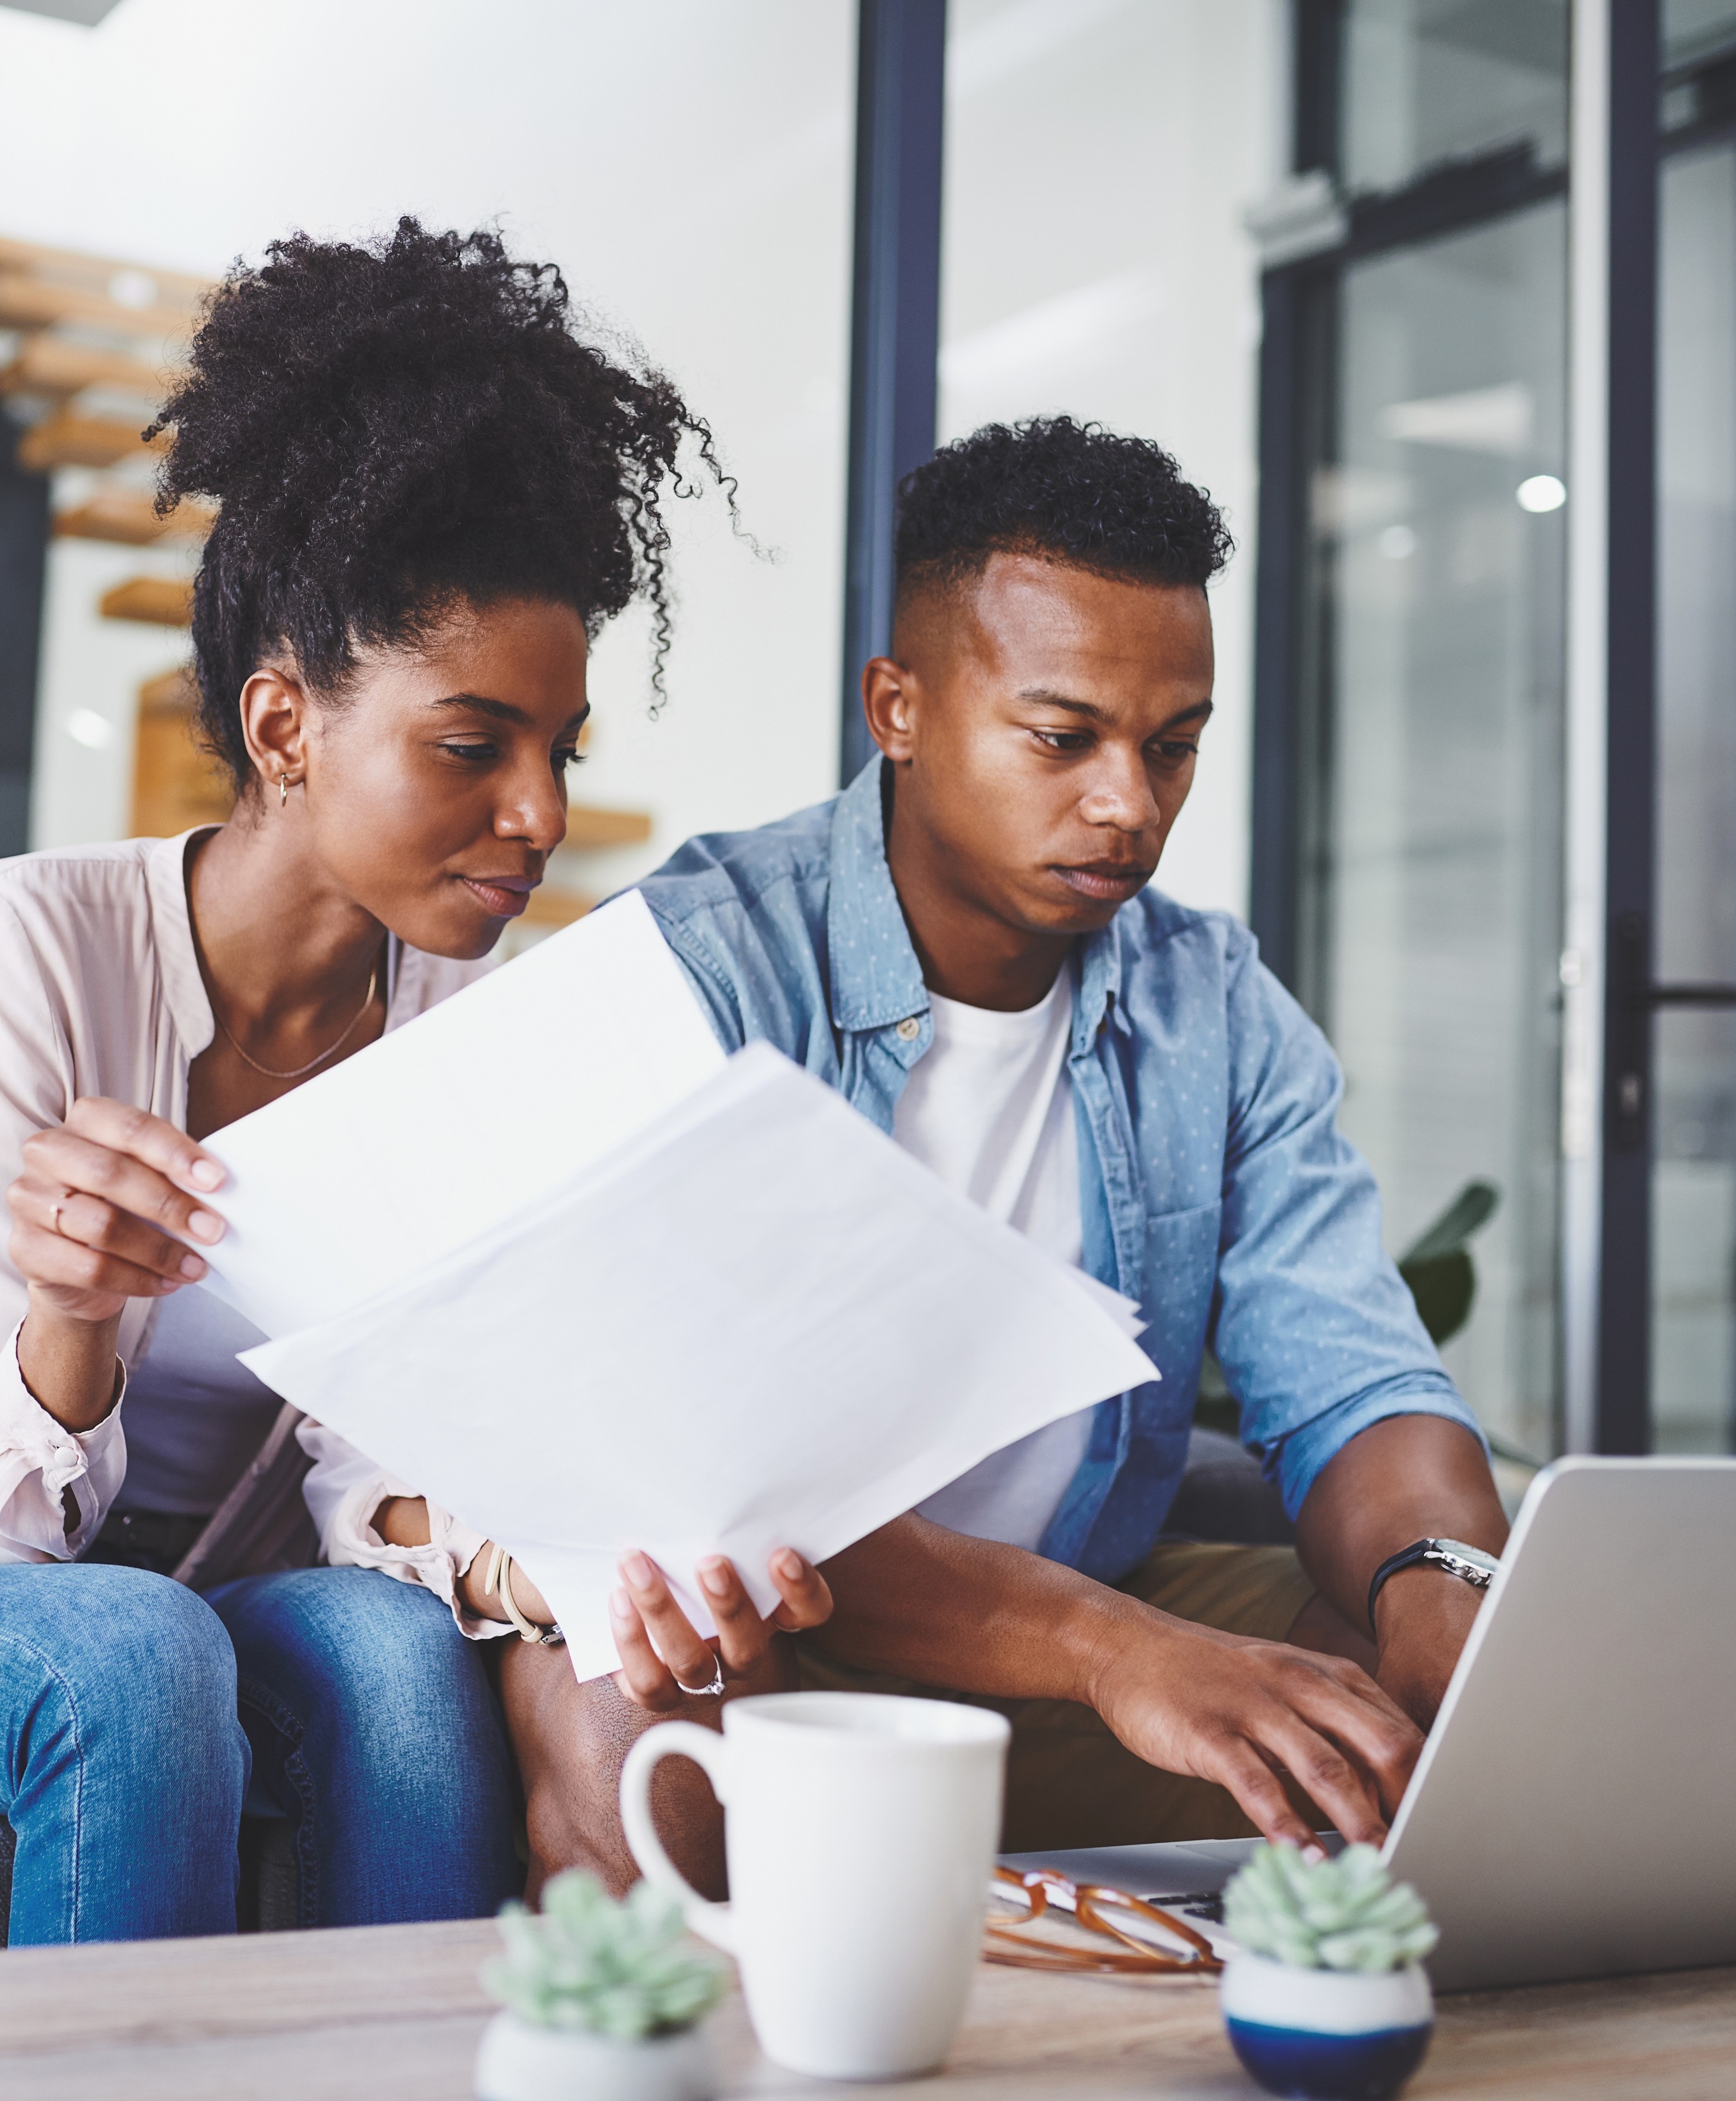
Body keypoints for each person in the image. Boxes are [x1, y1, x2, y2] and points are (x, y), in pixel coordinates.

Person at [0, 220, 817, 1945]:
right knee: (136, 1649)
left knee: (404, 1664)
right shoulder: (22, 947)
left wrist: (539, 1569)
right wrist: (68, 1319)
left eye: (559, 751)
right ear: (284, 729)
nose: (542, 816)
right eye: (471, 744)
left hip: (222, 1586)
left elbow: (371, 1474)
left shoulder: (466, 1030)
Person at [504, 416, 1512, 1889]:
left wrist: (1443, 1588)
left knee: (1427, 1669)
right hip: (771, 1634)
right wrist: (1118, 1655)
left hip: (1075, 1617)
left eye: (1172, 747)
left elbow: (1353, 1370)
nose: (1130, 803)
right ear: (897, 707)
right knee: (623, 1702)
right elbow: (731, 1484)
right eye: (1065, 737)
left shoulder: (1211, 1005)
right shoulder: (699, 970)